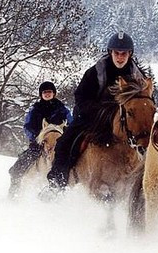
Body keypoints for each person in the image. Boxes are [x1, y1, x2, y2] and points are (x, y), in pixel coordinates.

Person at [45, 31, 146, 192]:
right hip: (91, 117)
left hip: (125, 122)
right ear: (110, 53)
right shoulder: (96, 72)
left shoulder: (137, 76)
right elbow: (80, 96)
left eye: (124, 54)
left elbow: (144, 101)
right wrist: (99, 112)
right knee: (64, 143)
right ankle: (56, 183)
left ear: (130, 54)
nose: (120, 57)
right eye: (117, 53)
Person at [8, 81, 72, 196]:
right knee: (20, 166)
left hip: (60, 145)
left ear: (54, 93)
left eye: (50, 92)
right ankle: (13, 191)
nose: (47, 94)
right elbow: (27, 126)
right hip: (39, 143)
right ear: (41, 95)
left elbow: (71, 125)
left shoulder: (63, 109)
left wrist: (67, 136)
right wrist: (36, 138)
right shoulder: (35, 109)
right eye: (44, 92)